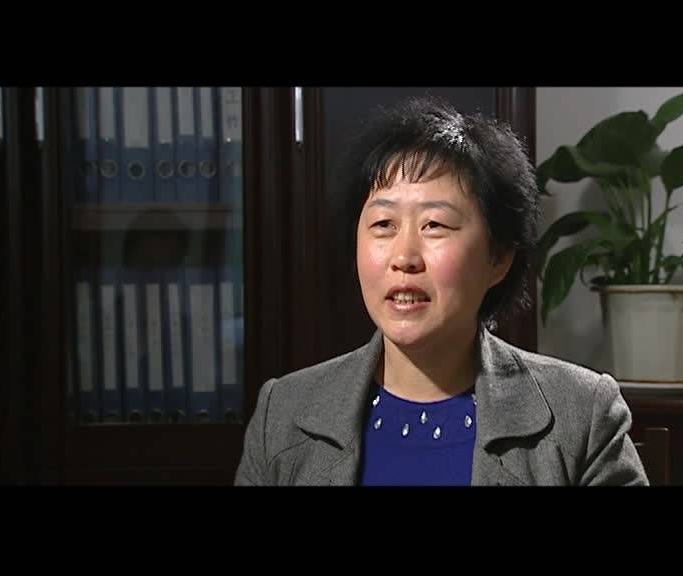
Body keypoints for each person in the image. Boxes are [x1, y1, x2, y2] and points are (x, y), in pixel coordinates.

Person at [234, 96, 648, 486]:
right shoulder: (283, 413)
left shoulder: (582, 416)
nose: (404, 257)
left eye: (435, 225)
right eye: (383, 225)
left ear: (499, 258)